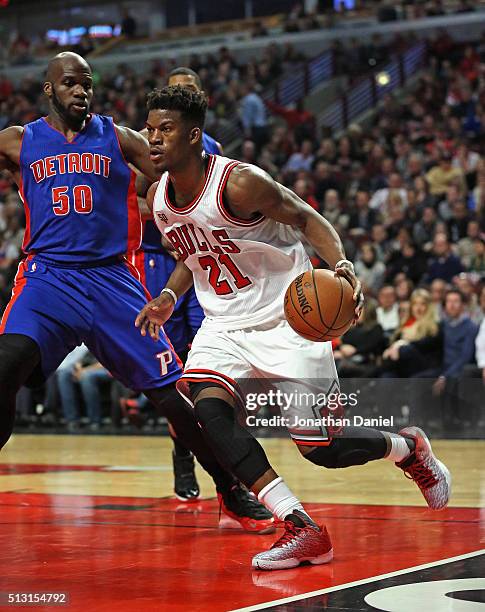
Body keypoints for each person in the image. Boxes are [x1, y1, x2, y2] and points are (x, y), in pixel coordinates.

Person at [136, 86, 451, 570]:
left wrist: (342, 263)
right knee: (207, 411)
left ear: (194, 136)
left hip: (290, 318)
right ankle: (301, 526)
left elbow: (305, 218)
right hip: (224, 323)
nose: (153, 138)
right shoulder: (158, 199)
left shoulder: (240, 184)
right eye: (150, 128)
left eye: (166, 130)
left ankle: (408, 449)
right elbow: (195, 254)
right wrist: (168, 296)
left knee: (321, 450)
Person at [0, 52, 273, 534]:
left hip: (113, 280)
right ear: (49, 90)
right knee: (6, 362)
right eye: (69, 83)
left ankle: (229, 490)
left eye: (87, 83)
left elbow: (187, 172)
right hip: (48, 278)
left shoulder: (119, 137)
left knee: (174, 399)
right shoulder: (19, 141)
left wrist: (227, 198)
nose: (80, 91)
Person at [132, 66, 222, 502]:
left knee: (207, 371)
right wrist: (160, 218)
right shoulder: (149, 145)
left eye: (187, 93)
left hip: (200, 262)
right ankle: (182, 460)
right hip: (157, 260)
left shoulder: (215, 151)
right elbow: (131, 196)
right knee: (174, 374)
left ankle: (224, 464)